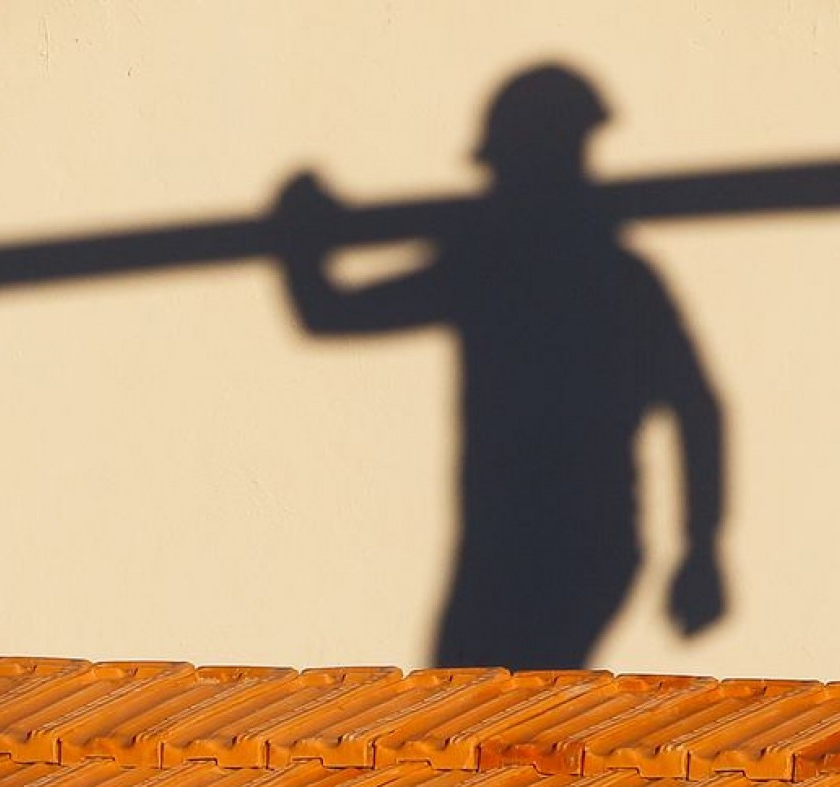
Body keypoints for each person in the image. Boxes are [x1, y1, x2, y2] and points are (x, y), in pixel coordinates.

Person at [270, 65, 728, 670]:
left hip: (557, 547)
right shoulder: (532, 265)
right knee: (474, 733)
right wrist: (699, 550)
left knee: (468, 731)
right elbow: (697, 410)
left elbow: (697, 410)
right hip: (546, 546)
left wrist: (299, 244)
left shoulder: (506, 266)